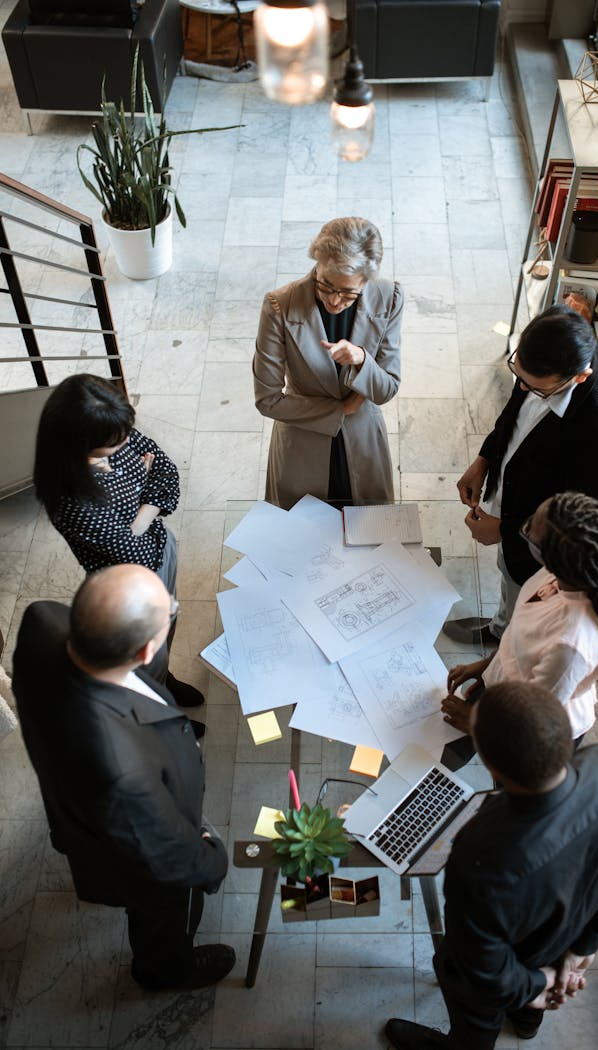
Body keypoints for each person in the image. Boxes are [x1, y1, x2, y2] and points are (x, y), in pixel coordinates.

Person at [385, 681, 598, 1050]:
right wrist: (583, 947)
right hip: (572, 931)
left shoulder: (480, 855)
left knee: (474, 1026)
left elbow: (484, 969)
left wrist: (539, 985)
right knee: (525, 999)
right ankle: (527, 1021)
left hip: (515, 964)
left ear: (490, 764)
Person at [11, 565, 235, 990]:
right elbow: (166, 853)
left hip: (69, 787)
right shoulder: (122, 769)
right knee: (161, 910)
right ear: (147, 652)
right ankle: (164, 970)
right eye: (170, 611)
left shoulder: (42, 619)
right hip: (136, 850)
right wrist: (211, 860)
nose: (174, 607)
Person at [443, 304, 598, 647]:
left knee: (526, 608)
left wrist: (503, 530)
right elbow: (517, 412)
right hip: (516, 498)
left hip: (541, 550)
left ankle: (505, 650)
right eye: (518, 375)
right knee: (508, 579)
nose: (520, 389)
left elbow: (581, 531)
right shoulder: (549, 358)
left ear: (579, 377)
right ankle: (501, 626)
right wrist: (486, 457)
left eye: (534, 388)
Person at [33, 373, 203, 711]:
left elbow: (167, 472)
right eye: (115, 441)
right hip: (127, 584)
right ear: (80, 445)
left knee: (167, 625)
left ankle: (165, 678)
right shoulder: (72, 500)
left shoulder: (112, 431)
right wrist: (145, 504)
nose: (127, 442)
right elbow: (132, 554)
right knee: (142, 651)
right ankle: (157, 704)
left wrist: (138, 517)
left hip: (158, 549)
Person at [442, 491, 598, 758]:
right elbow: (525, 637)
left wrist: (476, 722)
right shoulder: (562, 574)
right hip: (510, 691)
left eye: (529, 529)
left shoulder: (570, 645)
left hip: (531, 732)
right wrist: (487, 667)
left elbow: (532, 717)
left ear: (551, 556)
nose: (525, 527)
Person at [253, 216, 403, 510]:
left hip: (362, 442)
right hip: (302, 442)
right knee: (301, 536)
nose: (334, 301)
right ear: (316, 264)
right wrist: (341, 409)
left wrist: (362, 360)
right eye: (326, 285)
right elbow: (267, 400)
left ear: (367, 281)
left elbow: (387, 389)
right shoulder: (279, 306)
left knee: (368, 534)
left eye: (348, 292)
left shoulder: (389, 297)